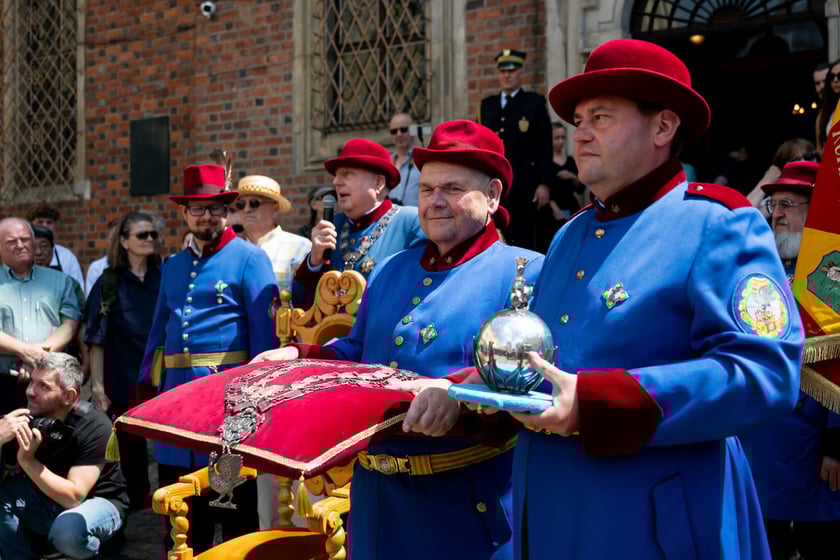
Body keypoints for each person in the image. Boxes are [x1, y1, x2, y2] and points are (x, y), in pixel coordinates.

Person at [498, 38, 802, 558]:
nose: (581, 134)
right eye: (577, 120)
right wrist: (478, 384)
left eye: (601, 116)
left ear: (663, 128)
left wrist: (601, 403)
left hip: (656, 524)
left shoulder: (718, 223)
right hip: (549, 514)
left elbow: (766, 374)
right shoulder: (570, 233)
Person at [255, 120, 544, 560]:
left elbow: (535, 381)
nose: (436, 201)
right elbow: (355, 353)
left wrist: (460, 392)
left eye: (452, 188)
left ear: (493, 196)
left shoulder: (526, 271)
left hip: (465, 506)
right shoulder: (391, 268)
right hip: (376, 499)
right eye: (427, 189)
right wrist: (296, 354)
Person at [138, 164, 277, 553]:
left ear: (227, 210)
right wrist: (145, 388)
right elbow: (158, 332)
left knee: (232, 511)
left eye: (215, 207)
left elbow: (265, 343)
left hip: (227, 410)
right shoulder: (172, 265)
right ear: (184, 213)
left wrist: (257, 405)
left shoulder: (250, 259)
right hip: (175, 406)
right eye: (197, 208)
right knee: (182, 511)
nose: (207, 216)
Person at [738, 160, 840, 560]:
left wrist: (837, 441)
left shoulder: (831, 274)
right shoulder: (763, 267)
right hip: (766, 434)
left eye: (787, 204)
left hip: (815, 438)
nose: (776, 214)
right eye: (773, 205)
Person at [0, 352, 129, 559]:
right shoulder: (23, 415)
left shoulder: (95, 426)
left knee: (68, 532)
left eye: (43, 386)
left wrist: (27, 460)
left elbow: (74, 498)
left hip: (97, 502)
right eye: (32, 382)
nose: (31, 392)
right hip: (43, 500)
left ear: (69, 396)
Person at [85, 211, 162, 511]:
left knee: (170, 442)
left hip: (160, 373)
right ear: (124, 241)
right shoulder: (109, 282)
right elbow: (97, 337)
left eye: (153, 234)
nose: (150, 239)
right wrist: (98, 385)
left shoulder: (165, 275)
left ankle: (174, 500)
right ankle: (134, 503)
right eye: (142, 235)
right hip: (122, 371)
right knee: (129, 446)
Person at [292, 138, 425, 307]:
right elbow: (299, 302)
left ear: (378, 183)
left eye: (347, 174)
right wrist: (314, 261)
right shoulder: (334, 224)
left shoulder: (410, 223)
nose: (336, 182)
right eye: (336, 176)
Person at [0, 218, 82, 415]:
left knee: (51, 440)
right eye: (12, 241)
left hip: (51, 384)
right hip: (2, 382)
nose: (20, 245)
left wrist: (38, 359)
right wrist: (24, 351)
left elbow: (70, 324)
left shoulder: (62, 281)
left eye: (25, 239)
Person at [478, 48, 553, 249]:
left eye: (512, 71)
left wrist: (544, 183)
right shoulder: (487, 105)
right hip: (494, 184)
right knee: (494, 237)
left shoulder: (533, 103)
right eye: (503, 71)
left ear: (521, 73)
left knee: (524, 239)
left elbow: (545, 145)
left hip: (525, 185)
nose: (507, 75)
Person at [235, 174, 311, 293]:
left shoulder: (300, 247)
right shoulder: (231, 250)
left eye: (254, 203)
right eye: (241, 204)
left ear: (275, 209)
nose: (247, 209)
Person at [535, 122, 582, 253]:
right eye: (557, 138)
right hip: (549, 212)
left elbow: (581, 189)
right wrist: (555, 209)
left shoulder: (571, 161)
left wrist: (572, 177)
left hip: (570, 209)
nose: (560, 141)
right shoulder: (545, 162)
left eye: (563, 137)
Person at [25, 205, 84, 291]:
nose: (45, 226)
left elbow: (78, 290)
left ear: (55, 226)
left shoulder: (67, 257)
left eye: (49, 223)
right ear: (30, 225)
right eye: (40, 222)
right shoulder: (22, 253)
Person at [388, 112, 421, 206]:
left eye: (403, 130)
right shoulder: (387, 162)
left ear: (413, 130)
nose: (399, 134)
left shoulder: (423, 160)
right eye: (394, 131)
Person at [84, 219, 118, 297]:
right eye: (113, 239)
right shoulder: (97, 267)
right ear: (108, 239)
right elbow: (91, 299)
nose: (117, 243)